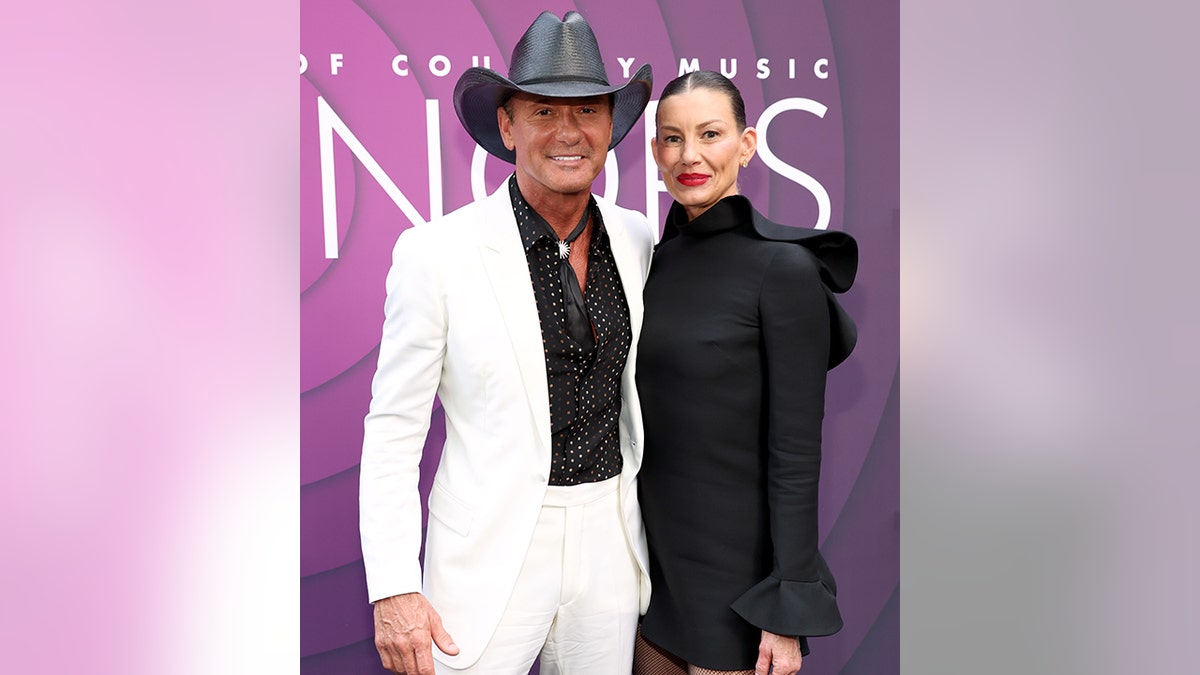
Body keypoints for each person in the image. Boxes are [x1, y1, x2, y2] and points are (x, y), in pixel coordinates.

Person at [358, 11, 656, 675]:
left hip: (610, 545)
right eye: (544, 111)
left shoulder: (640, 239)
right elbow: (394, 431)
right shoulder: (436, 254)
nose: (567, 132)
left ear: (612, 127)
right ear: (507, 125)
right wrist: (393, 584)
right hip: (485, 554)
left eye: (586, 111)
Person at [633, 71, 858, 675]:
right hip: (650, 585)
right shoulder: (649, 265)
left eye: (710, 134)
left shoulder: (782, 269)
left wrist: (786, 609)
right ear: (655, 152)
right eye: (672, 138)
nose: (691, 155)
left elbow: (796, 454)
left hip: (740, 595)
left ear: (748, 144)